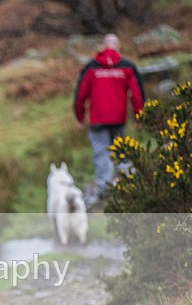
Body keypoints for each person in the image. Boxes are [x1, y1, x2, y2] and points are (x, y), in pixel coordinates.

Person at [73, 33, 145, 203]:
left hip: (97, 119)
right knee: (121, 151)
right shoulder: (127, 66)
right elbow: (137, 95)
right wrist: (139, 117)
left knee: (101, 153)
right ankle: (129, 183)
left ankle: (104, 189)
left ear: (103, 46)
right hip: (119, 118)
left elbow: (80, 94)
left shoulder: (91, 67)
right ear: (117, 47)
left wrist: (80, 116)